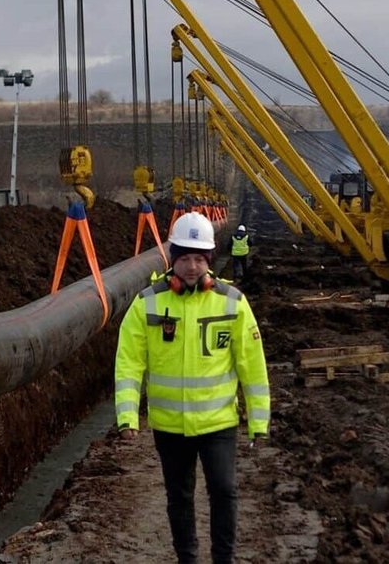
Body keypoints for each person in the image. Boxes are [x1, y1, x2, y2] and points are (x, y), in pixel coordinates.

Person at [115, 211, 270, 564]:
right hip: (170, 425)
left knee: (224, 491)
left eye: (199, 258)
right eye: (184, 258)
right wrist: (127, 417)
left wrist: (259, 422)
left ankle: (223, 559)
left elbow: (252, 366)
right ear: (173, 260)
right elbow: (129, 363)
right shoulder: (148, 304)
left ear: (209, 261)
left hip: (218, 424)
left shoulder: (232, 303)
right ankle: (187, 558)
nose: (191, 266)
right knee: (179, 497)